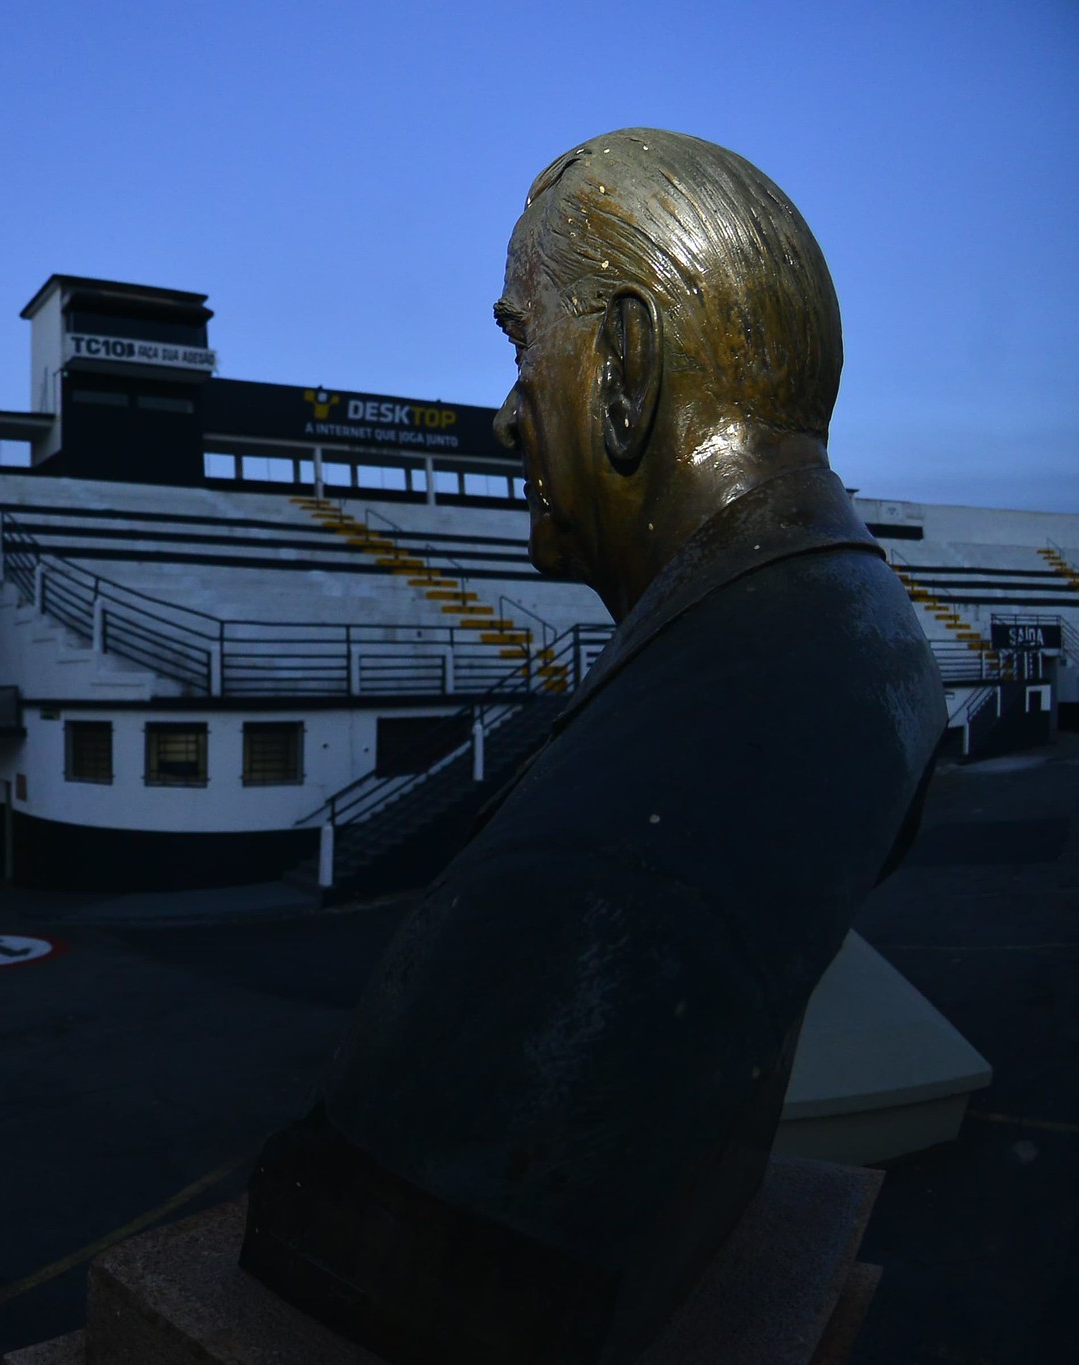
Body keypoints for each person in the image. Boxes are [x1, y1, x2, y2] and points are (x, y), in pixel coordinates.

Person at [239, 128, 951, 1361]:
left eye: (522, 348)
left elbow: (423, 1149)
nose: (508, 415)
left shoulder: (609, 856)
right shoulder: (863, 640)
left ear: (624, 363)